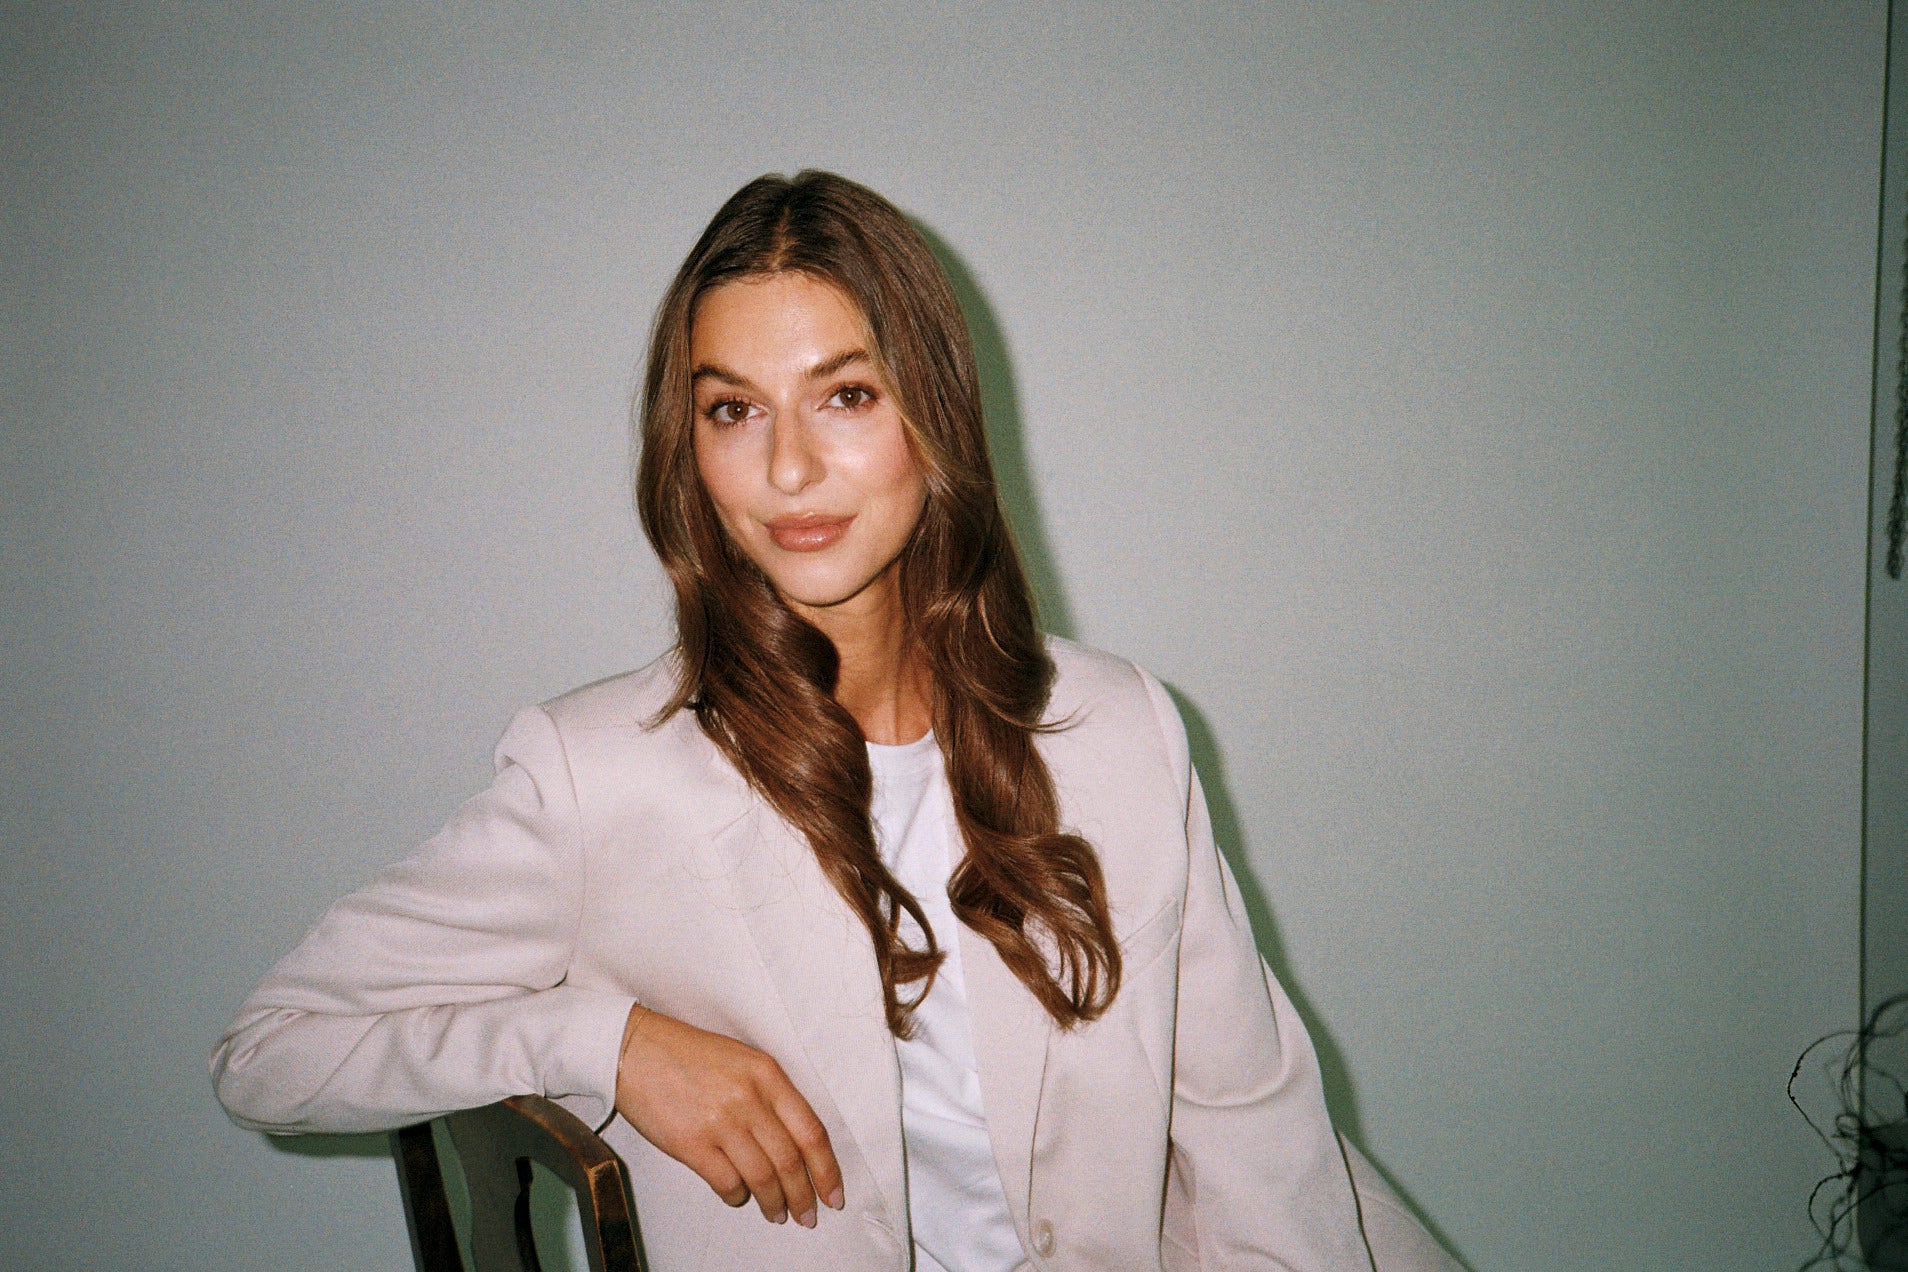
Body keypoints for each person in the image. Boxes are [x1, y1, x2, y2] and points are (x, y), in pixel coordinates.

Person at [212, 170, 1460, 1272]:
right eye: (733, 410)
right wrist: (610, 1043)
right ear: (688, 448)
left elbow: (1254, 1139)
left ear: (934, 415)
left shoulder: (1120, 730)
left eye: (846, 395)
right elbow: (270, 1052)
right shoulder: (599, 777)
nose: (789, 469)